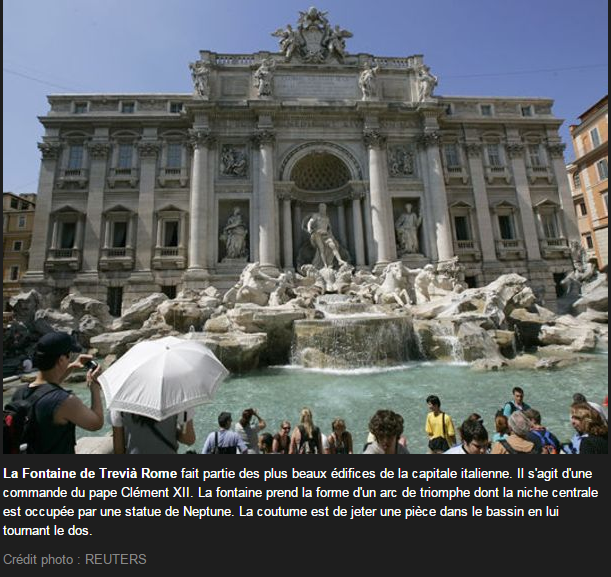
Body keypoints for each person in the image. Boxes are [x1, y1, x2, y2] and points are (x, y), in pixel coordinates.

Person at [9, 331, 104, 454]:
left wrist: (71, 366)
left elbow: (46, 387)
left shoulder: (20, 393)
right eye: (69, 356)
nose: (70, 359)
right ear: (61, 360)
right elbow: (96, 423)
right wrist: (94, 385)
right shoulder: (65, 401)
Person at [112, 409, 195, 455]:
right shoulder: (177, 394)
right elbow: (189, 439)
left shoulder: (120, 399)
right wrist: (173, 431)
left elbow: (119, 450)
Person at [306, 203, 347, 269]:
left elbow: (329, 228)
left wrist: (331, 235)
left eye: (324, 207)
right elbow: (310, 222)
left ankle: (339, 260)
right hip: (318, 235)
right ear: (319, 208)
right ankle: (325, 265)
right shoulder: (316, 215)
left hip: (326, 235)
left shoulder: (326, 218)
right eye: (322, 207)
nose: (323, 208)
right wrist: (309, 229)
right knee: (321, 250)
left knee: (333, 246)